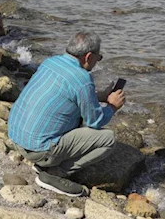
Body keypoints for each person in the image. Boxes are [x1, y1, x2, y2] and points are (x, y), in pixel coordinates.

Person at [7, 32, 126, 197]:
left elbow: (69, 94)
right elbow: (95, 121)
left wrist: (100, 97)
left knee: (72, 112)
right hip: (38, 150)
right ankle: (55, 173)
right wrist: (112, 106)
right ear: (88, 56)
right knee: (108, 139)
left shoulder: (51, 62)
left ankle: (44, 162)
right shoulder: (82, 78)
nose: (96, 62)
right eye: (98, 58)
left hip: (17, 138)